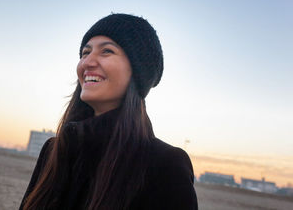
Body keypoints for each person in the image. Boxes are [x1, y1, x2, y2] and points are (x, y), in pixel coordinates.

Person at [19, 14, 198, 210]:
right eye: (85, 53)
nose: (87, 62)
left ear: (138, 73)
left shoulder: (165, 164)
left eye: (106, 51)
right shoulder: (54, 151)